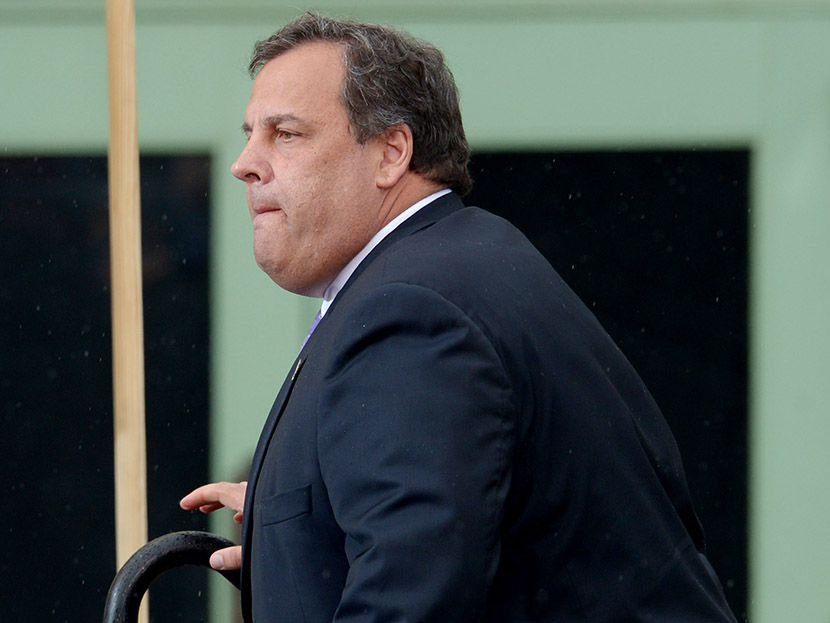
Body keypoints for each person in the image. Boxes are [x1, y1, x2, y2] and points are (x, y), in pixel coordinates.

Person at [181, 12, 738, 623]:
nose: (245, 162)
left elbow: (412, 599)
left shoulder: (411, 311)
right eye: (250, 132)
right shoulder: (456, 265)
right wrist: (298, 523)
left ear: (392, 152)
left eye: (285, 134)